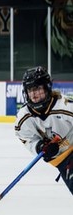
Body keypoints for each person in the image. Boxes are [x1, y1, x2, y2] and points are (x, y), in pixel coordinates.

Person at [15, 66, 73, 195]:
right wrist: (40, 146)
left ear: (46, 87)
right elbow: (27, 138)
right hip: (62, 161)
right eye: (30, 89)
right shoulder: (24, 117)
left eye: (37, 88)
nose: (33, 94)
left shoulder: (65, 106)